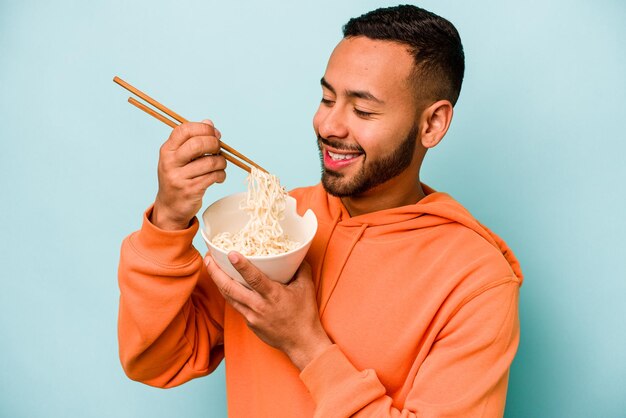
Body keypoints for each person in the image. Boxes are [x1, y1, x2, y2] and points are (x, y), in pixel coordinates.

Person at [117, 4, 523, 417]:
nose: (329, 125)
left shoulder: (477, 282)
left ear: (432, 124)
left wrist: (304, 344)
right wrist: (168, 220)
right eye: (327, 98)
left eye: (363, 110)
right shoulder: (275, 225)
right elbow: (156, 360)